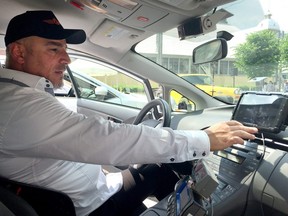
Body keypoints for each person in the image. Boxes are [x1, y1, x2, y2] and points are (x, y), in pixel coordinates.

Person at [0, 10, 258, 216]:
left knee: (158, 163)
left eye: (65, 49)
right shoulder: (19, 104)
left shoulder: (18, 94)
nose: (67, 59)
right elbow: (104, 139)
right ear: (19, 52)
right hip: (92, 206)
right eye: (54, 49)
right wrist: (205, 139)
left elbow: (77, 134)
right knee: (165, 167)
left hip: (95, 190)